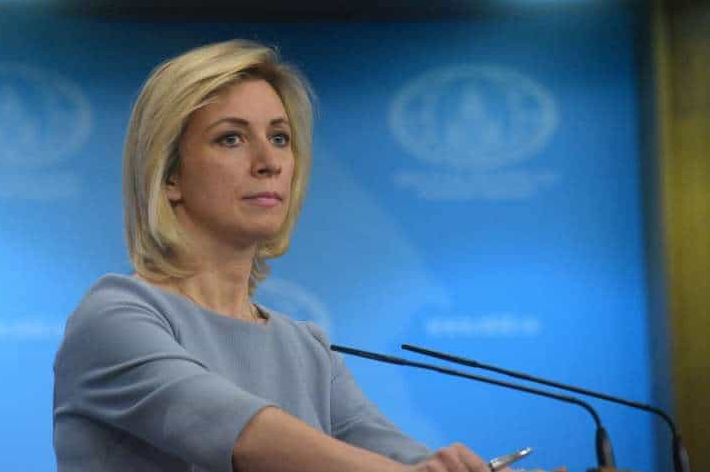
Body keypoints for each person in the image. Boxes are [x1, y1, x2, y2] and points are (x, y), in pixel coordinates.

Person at [52, 39, 513, 472]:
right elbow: (243, 435)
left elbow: (401, 458)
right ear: (169, 175)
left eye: (279, 138)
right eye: (231, 139)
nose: (268, 162)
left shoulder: (305, 347)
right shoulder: (114, 319)